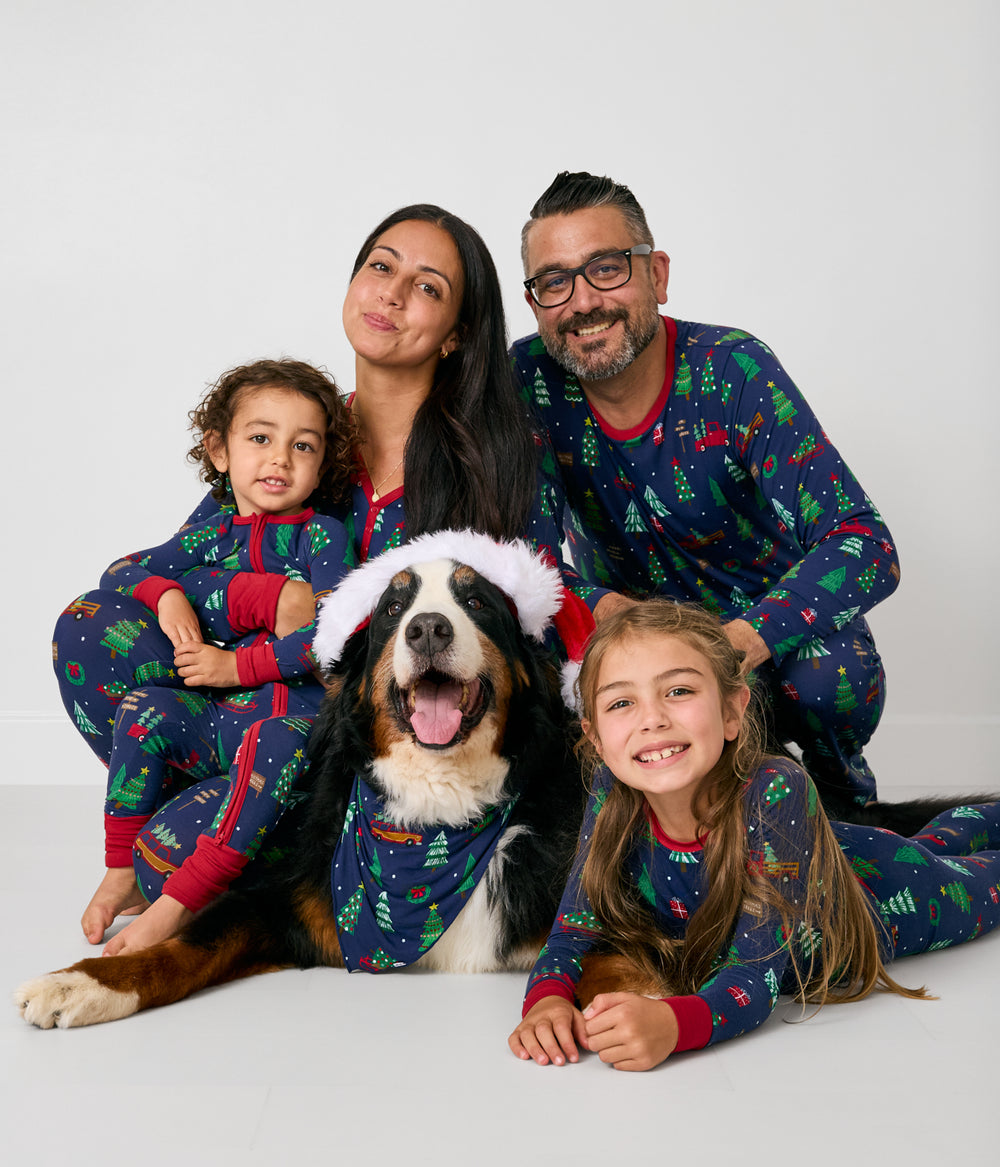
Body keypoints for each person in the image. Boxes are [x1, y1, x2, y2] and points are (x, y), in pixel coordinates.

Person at [54, 204, 577, 956]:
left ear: (457, 332)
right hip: (250, 714)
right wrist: (254, 597)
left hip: (385, 757)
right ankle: (222, 816)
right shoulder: (296, 432)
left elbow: (538, 628)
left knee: (164, 854)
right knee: (92, 627)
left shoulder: (501, 456)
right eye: (381, 266)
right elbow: (191, 561)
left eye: (427, 287)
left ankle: (241, 845)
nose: (392, 293)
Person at [511, 171, 899, 812]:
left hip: (765, 646)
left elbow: (865, 543)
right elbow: (527, 565)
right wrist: (617, 618)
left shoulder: (733, 368)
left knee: (834, 674)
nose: (582, 301)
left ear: (657, 275)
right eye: (555, 282)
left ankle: (843, 807)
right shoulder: (525, 382)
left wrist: (740, 641)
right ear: (535, 304)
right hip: (634, 649)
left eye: (606, 268)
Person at [508, 600, 1000, 1072]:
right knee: (941, 840)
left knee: (968, 870)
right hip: (829, 853)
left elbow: (755, 975)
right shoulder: (611, 790)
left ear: (732, 710)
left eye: (678, 691)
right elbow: (573, 928)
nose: (652, 719)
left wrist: (674, 1024)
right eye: (621, 702)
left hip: (890, 888)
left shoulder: (775, 787)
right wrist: (546, 999)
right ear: (596, 738)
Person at [72, 359, 354, 953]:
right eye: (261, 438)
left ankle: (176, 905)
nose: (280, 459)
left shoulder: (323, 536)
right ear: (219, 451)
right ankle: (120, 869)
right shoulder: (210, 534)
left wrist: (236, 667)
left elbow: (335, 632)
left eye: (303, 446)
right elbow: (121, 572)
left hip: (295, 729)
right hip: (224, 721)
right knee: (147, 707)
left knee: (274, 743)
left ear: (322, 463)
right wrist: (165, 592)